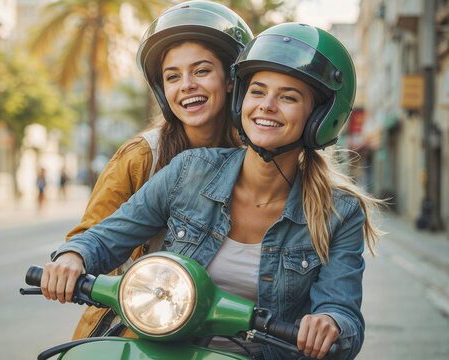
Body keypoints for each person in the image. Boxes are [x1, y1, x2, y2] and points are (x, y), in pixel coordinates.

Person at [42, 23, 384, 359]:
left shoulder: (340, 212)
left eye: (289, 97)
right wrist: (74, 256)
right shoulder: (189, 169)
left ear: (320, 117)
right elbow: (105, 236)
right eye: (258, 91)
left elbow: (343, 313)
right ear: (241, 100)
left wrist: (329, 324)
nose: (267, 105)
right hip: (165, 350)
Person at [62, 0, 253, 340]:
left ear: (230, 79)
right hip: (139, 327)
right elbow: (91, 235)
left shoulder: (256, 159)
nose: (187, 85)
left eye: (202, 71)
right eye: (172, 76)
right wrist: (73, 257)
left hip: (228, 335)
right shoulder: (142, 155)